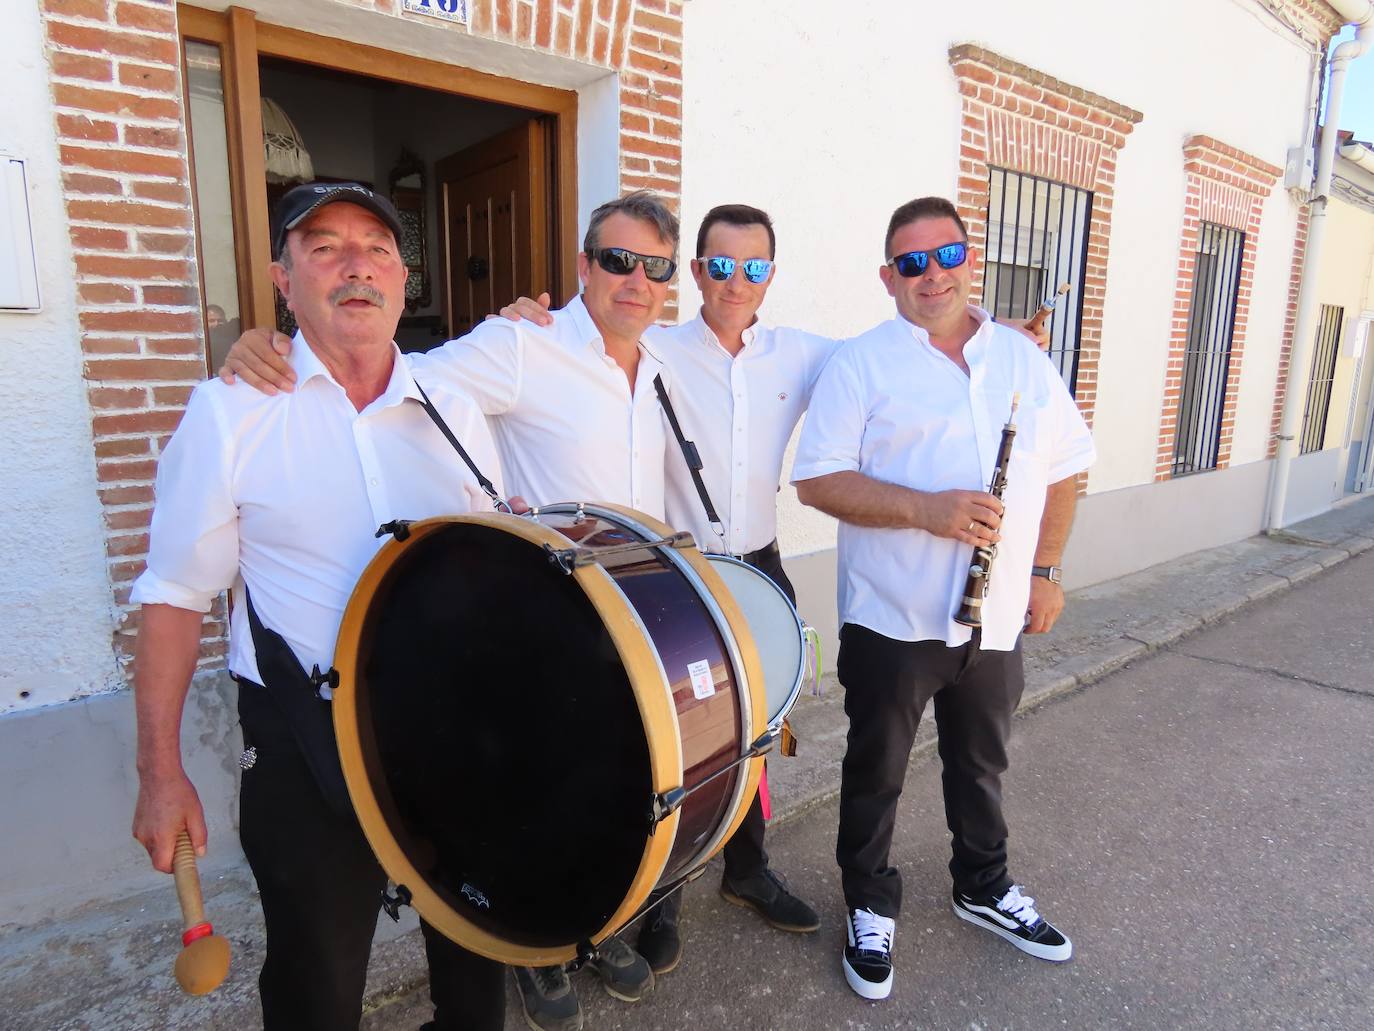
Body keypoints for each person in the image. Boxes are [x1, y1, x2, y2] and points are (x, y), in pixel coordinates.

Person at [221, 191, 686, 1031]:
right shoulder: (521, 345)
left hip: (560, 647)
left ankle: (551, 943)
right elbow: (393, 372)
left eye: (654, 267)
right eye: (617, 260)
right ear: (584, 266)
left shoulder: (660, 364)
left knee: (525, 853)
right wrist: (274, 347)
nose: (636, 279)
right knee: (331, 951)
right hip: (409, 671)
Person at [130, 182, 510, 1029]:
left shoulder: (452, 408)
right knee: (316, 982)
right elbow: (174, 594)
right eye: (325, 247)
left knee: (481, 960)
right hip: (304, 739)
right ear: (282, 277)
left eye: (377, 248)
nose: (356, 267)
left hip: (450, 729)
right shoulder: (232, 411)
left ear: (404, 281)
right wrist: (160, 771)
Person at [494, 204, 832, 975]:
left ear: (770, 275)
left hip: (759, 562)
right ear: (695, 273)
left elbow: (889, 362)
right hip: (679, 573)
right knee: (675, 740)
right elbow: (559, 349)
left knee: (753, 730)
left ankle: (747, 869)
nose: (734, 282)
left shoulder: (799, 353)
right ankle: (663, 893)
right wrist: (525, 318)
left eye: (752, 267)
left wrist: (982, 328)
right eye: (718, 265)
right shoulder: (654, 349)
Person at [791, 196, 1096, 1001]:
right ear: (889, 277)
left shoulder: (1023, 360)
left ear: (972, 258)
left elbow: (1064, 467)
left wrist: (1046, 568)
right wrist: (927, 510)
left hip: (996, 619)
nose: (933, 274)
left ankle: (983, 885)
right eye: (913, 262)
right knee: (876, 769)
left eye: (947, 254)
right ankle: (868, 901)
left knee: (981, 761)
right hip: (894, 615)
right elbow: (818, 477)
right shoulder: (862, 363)